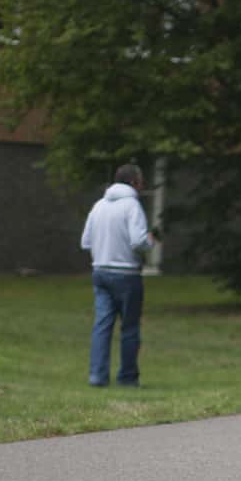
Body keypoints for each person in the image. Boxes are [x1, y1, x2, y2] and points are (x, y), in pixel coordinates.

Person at [79, 164, 156, 387]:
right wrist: (150, 241)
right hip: (127, 274)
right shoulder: (132, 205)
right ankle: (128, 378)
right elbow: (138, 241)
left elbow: (85, 242)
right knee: (129, 328)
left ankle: (97, 376)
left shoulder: (99, 205)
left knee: (102, 325)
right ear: (133, 182)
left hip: (100, 271)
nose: (142, 185)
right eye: (141, 181)